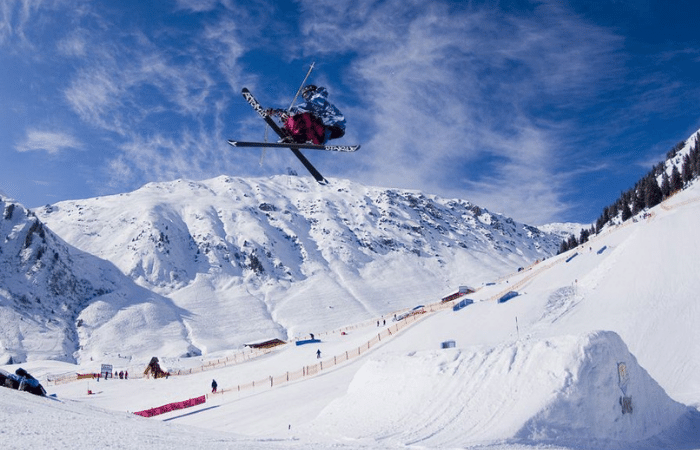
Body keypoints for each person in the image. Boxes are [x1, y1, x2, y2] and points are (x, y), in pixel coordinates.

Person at [268, 85, 346, 145]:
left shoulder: (318, 99)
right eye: (304, 96)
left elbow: (302, 108)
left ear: (312, 92)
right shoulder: (313, 103)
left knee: (303, 117)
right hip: (319, 133)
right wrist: (283, 114)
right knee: (293, 118)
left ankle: (298, 136)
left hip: (333, 129)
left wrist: (278, 111)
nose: (306, 97)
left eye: (307, 94)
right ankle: (291, 135)